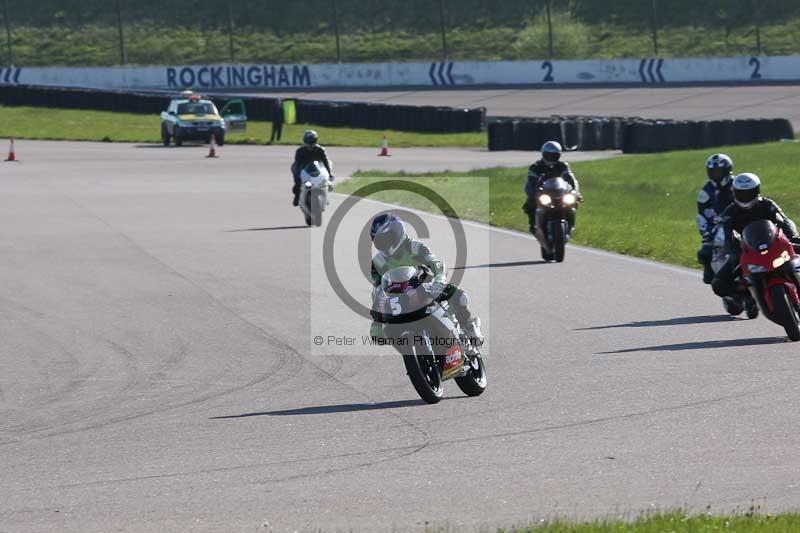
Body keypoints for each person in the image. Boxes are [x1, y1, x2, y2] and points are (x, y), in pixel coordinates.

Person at [368, 213, 483, 344]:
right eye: (379, 241)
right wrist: (377, 317)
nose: (384, 244)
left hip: (426, 288)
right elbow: (377, 291)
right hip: (398, 299)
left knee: (460, 297)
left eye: (387, 238)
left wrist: (439, 279)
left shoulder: (414, 247)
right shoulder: (377, 262)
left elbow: (436, 264)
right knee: (379, 333)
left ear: (397, 232)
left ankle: (469, 327)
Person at [711, 173, 800, 298]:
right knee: (718, 284)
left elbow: (784, 221)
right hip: (747, 250)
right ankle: (745, 297)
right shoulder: (730, 212)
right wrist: (732, 250)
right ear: (734, 193)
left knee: (794, 257)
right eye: (741, 194)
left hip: (774, 244)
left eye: (749, 193)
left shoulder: (767, 204)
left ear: (757, 191)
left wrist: (793, 237)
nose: (745, 197)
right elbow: (727, 234)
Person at [522, 141, 581, 232]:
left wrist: (575, 192)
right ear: (543, 154)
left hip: (559, 193)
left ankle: (570, 224)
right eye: (548, 155)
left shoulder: (563, 166)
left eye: (554, 155)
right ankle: (533, 225)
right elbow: (530, 182)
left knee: (573, 202)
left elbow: (571, 179)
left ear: (559, 155)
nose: (551, 158)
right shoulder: (536, 167)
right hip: (543, 193)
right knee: (530, 204)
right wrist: (532, 194)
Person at [696, 154, 735, 284]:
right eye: (712, 172)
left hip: (741, 221)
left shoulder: (738, 184)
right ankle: (718, 276)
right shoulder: (705, 192)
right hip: (718, 227)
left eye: (718, 172)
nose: (715, 175)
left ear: (727, 170)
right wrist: (707, 238)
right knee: (705, 255)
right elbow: (702, 216)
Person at [291, 130, 333, 206]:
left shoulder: (320, 150)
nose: (310, 144)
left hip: (317, 168)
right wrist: (297, 175)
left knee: (329, 167)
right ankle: (297, 195)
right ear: (304, 141)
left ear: (315, 140)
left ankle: (325, 196)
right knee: (294, 168)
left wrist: (329, 173)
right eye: (308, 141)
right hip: (304, 168)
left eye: (312, 141)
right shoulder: (300, 151)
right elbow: (297, 164)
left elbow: (325, 162)